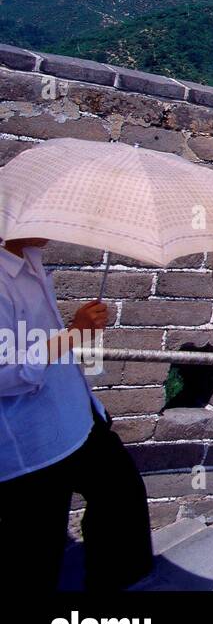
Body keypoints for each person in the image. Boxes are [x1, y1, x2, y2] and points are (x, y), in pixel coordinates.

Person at [0, 236, 153, 591]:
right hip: (35, 445)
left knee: (122, 498)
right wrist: (74, 334)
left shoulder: (31, 261)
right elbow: (5, 371)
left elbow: (33, 342)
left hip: (78, 419)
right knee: (33, 559)